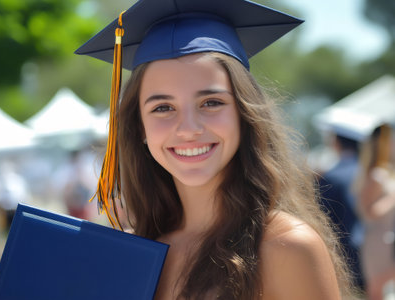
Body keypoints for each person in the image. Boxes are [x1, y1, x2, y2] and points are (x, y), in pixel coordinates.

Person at [76, 0, 355, 298]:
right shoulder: (135, 250)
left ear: (244, 114)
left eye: (211, 103)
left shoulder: (286, 247)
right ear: (140, 128)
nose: (188, 128)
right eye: (163, 107)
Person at [319, 133, 365, 290]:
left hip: (343, 256)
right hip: (372, 250)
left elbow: (322, 219)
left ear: (336, 142)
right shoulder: (370, 172)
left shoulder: (332, 177)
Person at [355, 124, 395, 300]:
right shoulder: (377, 174)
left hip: (386, 237)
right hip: (379, 240)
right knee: (377, 289)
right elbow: (369, 212)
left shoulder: (384, 172)